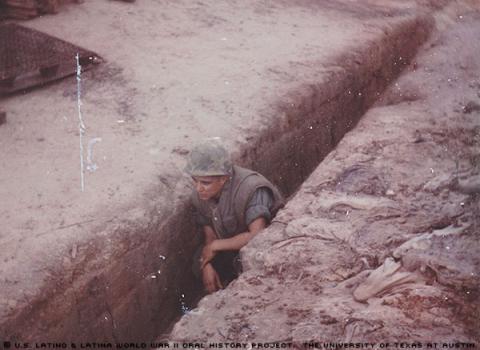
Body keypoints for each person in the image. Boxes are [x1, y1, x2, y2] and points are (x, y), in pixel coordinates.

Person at [185, 138, 284, 293]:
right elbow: (209, 236)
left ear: (224, 178)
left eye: (205, 183)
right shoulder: (199, 196)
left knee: (249, 262)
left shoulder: (250, 189)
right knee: (197, 265)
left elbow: (258, 236)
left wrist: (215, 246)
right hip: (231, 243)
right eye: (194, 181)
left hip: (267, 247)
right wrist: (206, 265)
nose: (198, 188)